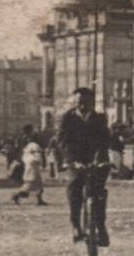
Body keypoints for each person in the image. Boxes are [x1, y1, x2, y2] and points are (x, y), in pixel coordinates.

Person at [59, 87, 115, 247]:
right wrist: (72, 160)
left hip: (95, 159)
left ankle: (101, 227)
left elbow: (104, 140)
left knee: (99, 191)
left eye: (85, 102)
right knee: (74, 187)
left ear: (92, 103)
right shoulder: (67, 119)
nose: (81, 105)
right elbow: (63, 141)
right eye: (78, 102)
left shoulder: (99, 118)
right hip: (75, 159)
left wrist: (102, 158)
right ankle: (76, 226)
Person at [12, 127, 48, 206]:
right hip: (33, 164)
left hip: (29, 163)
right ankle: (17, 195)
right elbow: (37, 155)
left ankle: (39, 200)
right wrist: (40, 162)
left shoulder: (24, 142)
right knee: (30, 182)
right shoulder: (33, 145)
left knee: (39, 183)